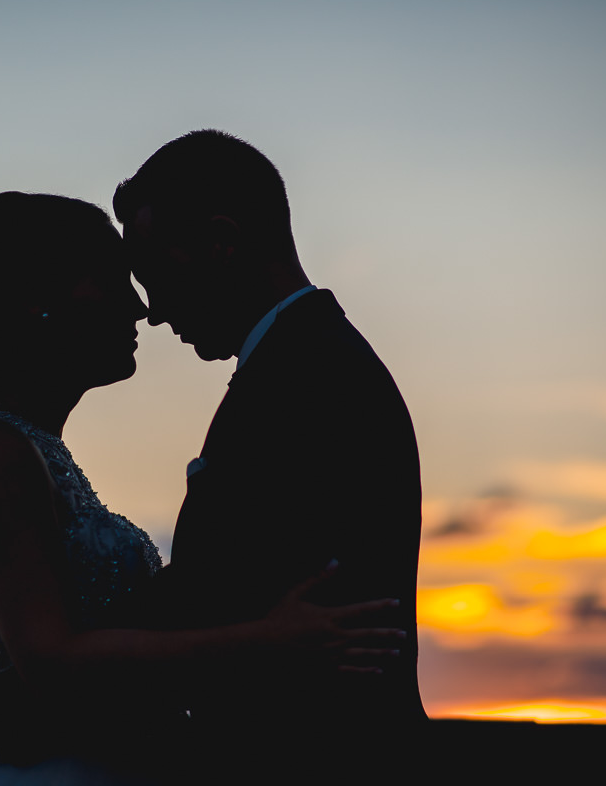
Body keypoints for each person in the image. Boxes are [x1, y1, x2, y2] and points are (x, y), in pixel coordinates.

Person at [0, 191, 404, 783]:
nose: (139, 308)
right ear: (38, 303)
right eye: (110, 280)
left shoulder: (29, 451)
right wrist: (269, 640)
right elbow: (50, 662)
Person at [112, 130, 428, 772]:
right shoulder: (309, 360)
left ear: (220, 243)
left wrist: (8, 700)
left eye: (158, 276)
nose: (152, 312)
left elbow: (210, 597)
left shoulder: (305, 379)